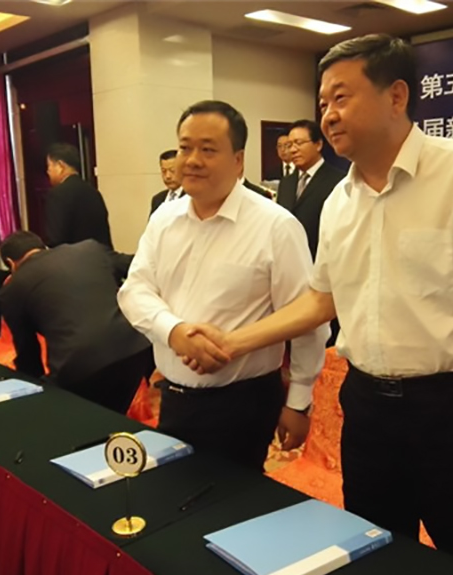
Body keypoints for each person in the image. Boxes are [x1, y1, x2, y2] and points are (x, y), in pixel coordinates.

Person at [183, 35, 453, 575]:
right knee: (376, 560)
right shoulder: (339, 202)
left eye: (341, 98)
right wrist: (232, 342)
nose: (328, 115)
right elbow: (321, 301)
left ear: (396, 96)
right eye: (322, 102)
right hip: (369, 410)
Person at [118, 100, 328, 472]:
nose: (192, 160)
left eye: (208, 149)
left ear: (238, 160)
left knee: (236, 500)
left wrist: (298, 402)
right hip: (174, 397)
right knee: (175, 491)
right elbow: (134, 290)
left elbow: (307, 319)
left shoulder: (276, 226)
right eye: (185, 148)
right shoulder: (164, 218)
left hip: (244, 403)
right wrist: (174, 331)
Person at [0, 231, 152, 414]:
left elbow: (28, 354)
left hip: (78, 365)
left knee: (70, 418)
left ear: (10, 263)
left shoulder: (12, 289)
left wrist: (34, 395)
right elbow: (135, 265)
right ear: (43, 246)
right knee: (112, 416)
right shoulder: (90, 249)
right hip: (134, 348)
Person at [277, 119, 345, 259]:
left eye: (299, 143)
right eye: (289, 145)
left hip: (321, 260)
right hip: (287, 260)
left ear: (318, 144)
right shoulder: (286, 183)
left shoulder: (339, 181)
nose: (293, 150)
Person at [44, 143, 113, 248]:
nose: (48, 171)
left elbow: (55, 239)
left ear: (60, 166)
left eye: (49, 166)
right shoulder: (93, 191)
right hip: (99, 254)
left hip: (72, 256)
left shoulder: (57, 194)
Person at [150, 149, 183, 215]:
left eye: (172, 170)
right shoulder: (157, 199)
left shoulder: (192, 198)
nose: (168, 176)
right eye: (164, 171)